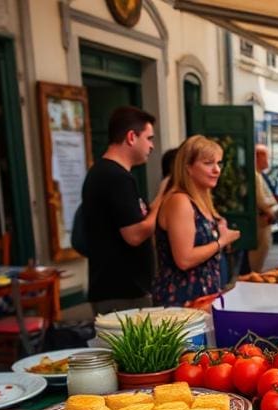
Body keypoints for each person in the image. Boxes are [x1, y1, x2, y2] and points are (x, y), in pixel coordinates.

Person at [80, 106, 161, 313]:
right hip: (121, 294)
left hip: (123, 292)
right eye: (149, 138)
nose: (152, 146)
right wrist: (161, 200)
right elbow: (134, 235)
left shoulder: (109, 173)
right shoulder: (115, 177)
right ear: (132, 137)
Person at [151, 136, 240, 307]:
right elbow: (184, 259)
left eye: (219, 163)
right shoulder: (180, 201)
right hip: (182, 303)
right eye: (208, 163)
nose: (217, 170)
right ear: (188, 168)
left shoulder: (201, 200)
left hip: (202, 299)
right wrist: (222, 241)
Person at [250, 144, 278, 273]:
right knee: (258, 256)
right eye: (266, 157)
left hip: (265, 221)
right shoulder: (255, 176)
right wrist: (275, 201)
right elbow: (261, 201)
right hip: (260, 222)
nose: (268, 161)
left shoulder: (261, 175)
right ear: (258, 158)